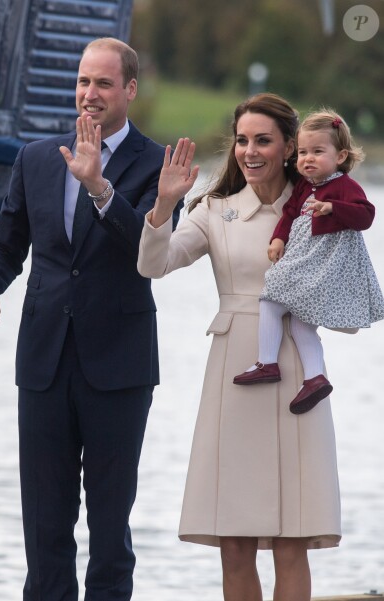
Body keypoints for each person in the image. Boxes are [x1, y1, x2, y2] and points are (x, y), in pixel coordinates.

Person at [0, 37, 186, 601]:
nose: (90, 94)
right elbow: (6, 245)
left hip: (119, 365)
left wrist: (99, 188)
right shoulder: (36, 157)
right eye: (84, 81)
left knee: (110, 529)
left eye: (104, 84)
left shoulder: (161, 166)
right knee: (44, 525)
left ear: (130, 90)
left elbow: (150, 253)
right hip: (42, 361)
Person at [138, 93, 341, 601]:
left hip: (297, 371)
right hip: (234, 372)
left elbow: (347, 284)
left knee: (292, 540)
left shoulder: (320, 206)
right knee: (235, 541)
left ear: (291, 146)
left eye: (263, 141)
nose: (250, 152)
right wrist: (165, 205)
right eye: (242, 140)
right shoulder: (214, 209)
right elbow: (153, 266)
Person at [234, 109, 384, 414]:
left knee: (271, 298)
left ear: (340, 156)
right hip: (305, 259)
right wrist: (278, 238)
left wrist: (332, 207)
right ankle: (315, 377)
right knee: (302, 324)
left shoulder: (344, 186)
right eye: (303, 152)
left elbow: (366, 215)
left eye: (317, 152)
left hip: (322, 264)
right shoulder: (303, 186)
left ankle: (267, 362)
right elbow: (290, 212)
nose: (308, 159)